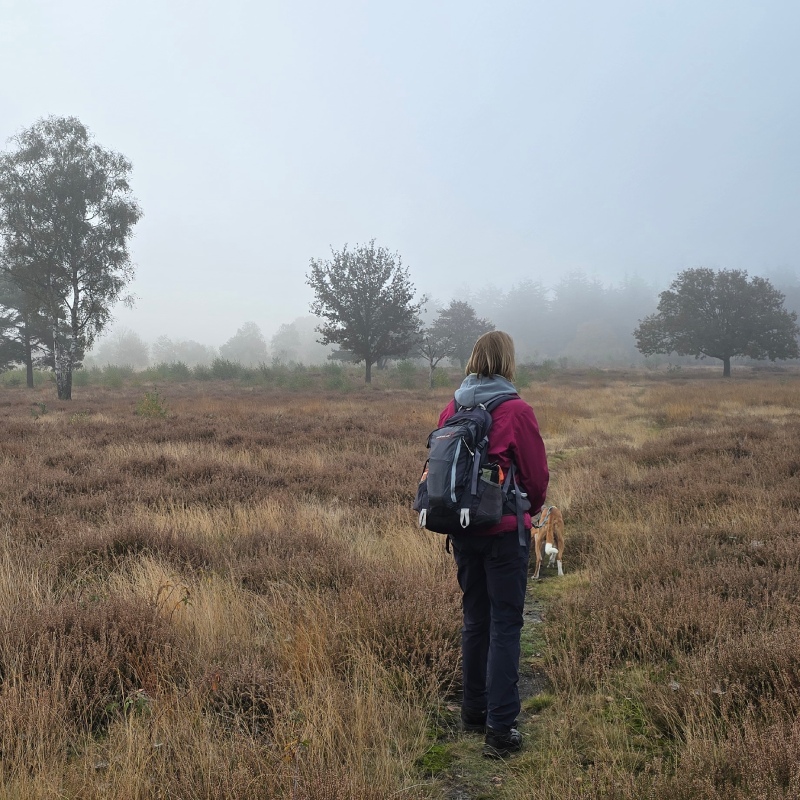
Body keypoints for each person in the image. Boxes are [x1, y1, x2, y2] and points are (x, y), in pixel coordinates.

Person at [437, 331, 549, 758]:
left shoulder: (454, 406)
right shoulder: (516, 409)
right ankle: (500, 730)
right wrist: (530, 509)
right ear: (507, 362)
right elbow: (536, 476)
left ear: (473, 359)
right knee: (506, 624)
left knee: (475, 620)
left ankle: (473, 711)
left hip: (462, 530)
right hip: (504, 533)